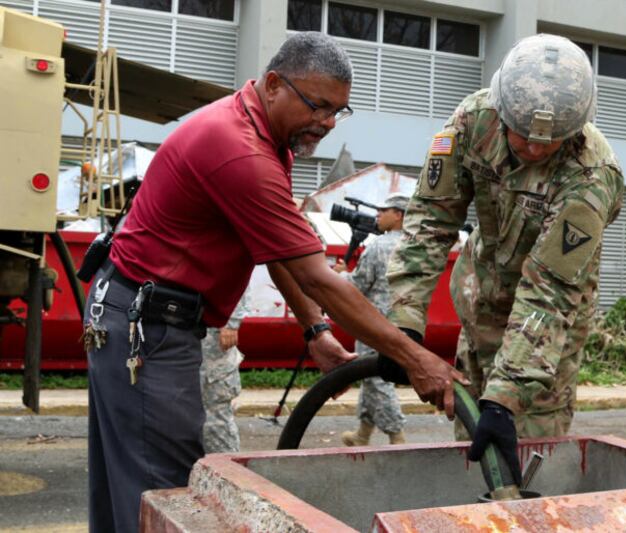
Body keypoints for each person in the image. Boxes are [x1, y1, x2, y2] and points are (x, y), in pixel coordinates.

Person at [83, 31, 465, 533]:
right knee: (163, 495)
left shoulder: (263, 136)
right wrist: (420, 360)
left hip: (132, 313)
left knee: (131, 491)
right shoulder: (240, 151)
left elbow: (276, 250)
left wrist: (314, 331)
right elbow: (318, 276)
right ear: (272, 85)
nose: (326, 123)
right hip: (147, 328)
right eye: (318, 106)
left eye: (338, 112)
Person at [385, 34, 624, 481]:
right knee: (470, 452)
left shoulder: (592, 177)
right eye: (523, 136)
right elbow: (430, 223)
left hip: (541, 339)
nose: (534, 150)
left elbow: (550, 291)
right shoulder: (472, 123)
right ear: (501, 107)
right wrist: (405, 325)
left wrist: (507, 395)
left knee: (524, 464)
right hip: (480, 314)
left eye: (549, 143)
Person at [334, 193, 410, 446]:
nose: (378, 213)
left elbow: (358, 285)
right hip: (402, 321)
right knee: (369, 376)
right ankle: (363, 433)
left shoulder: (380, 245)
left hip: (374, 323)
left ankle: (396, 436)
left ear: (398, 214)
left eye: (383, 209)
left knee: (377, 379)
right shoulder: (413, 244)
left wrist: (340, 276)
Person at [200, 287, 250, 453]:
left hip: (211, 336)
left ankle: (227, 471)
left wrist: (230, 322)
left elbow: (236, 271)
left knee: (214, 415)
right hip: (182, 332)